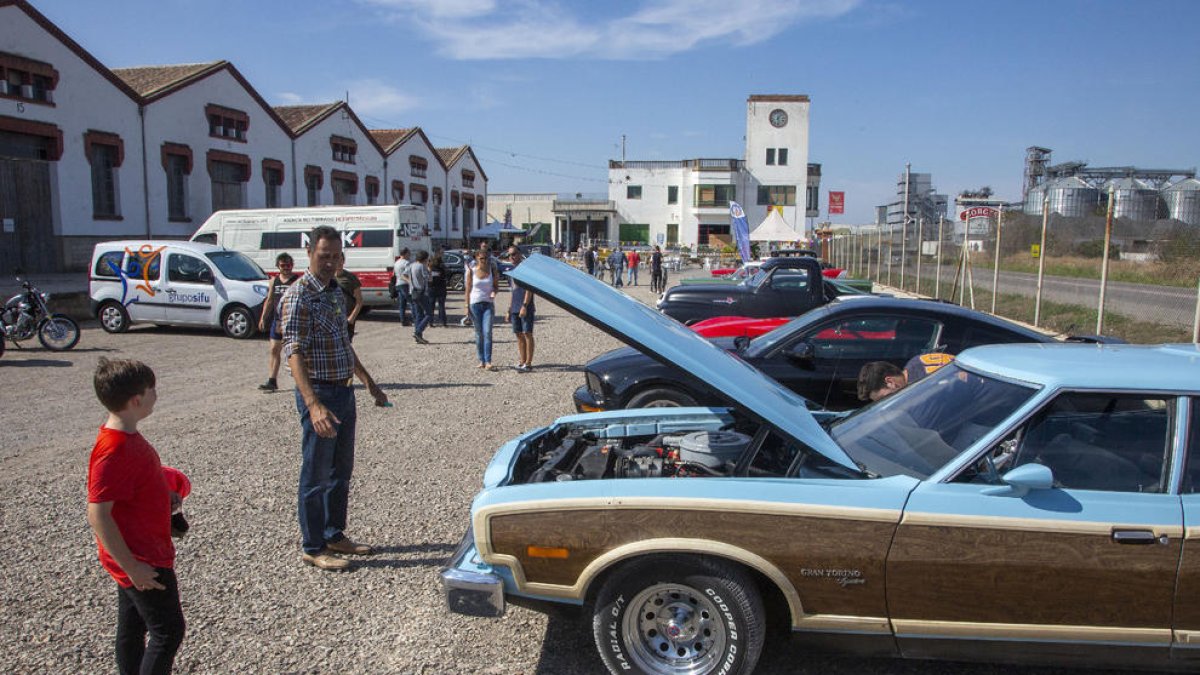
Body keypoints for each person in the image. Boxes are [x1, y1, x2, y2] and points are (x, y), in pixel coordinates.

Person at [279, 225, 388, 571]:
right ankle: (313, 546)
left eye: (335, 256)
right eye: (323, 256)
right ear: (309, 253)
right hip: (320, 392)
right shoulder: (299, 296)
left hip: (344, 389)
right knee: (316, 473)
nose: (329, 262)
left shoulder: (334, 293)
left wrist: (369, 382)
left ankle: (333, 533)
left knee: (341, 470)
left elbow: (344, 343)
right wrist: (312, 404)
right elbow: (293, 350)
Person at [86, 357, 186, 674]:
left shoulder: (126, 435)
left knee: (132, 627)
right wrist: (133, 567)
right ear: (136, 399)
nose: (157, 394)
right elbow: (98, 514)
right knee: (168, 632)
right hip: (142, 558)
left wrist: (163, 496)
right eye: (152, 389)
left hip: (140, 552)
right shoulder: (113, 449)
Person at [257, 253, 299, 391]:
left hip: (292, 321)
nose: (286, 268)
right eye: (283, 265)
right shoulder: (273, 281)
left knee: (294, 352)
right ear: (278, 266)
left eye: (288, 265)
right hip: (277, 320)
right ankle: (272, 380)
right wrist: (263, 317)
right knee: (274, 349)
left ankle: (301, 380)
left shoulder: (297, 281)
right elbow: (269, 301)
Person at [857, 353, 955, 402]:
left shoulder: (923, 386)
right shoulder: (916, 362)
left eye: (885, 398)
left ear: (890, 382)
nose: (886, 403)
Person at [464, 248, 497, 370]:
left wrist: (494, 292)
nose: (484, 260)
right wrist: (466, 306)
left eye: (486, 258)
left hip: (488, 304)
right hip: (475, 304)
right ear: (477, 259)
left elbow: (496, 286)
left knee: (487, 332)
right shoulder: (471, 271)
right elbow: (467, 290)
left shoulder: (492, 270)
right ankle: (481, 360)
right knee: (479, 334)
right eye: (482, 258)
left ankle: (488, 361)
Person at [507, 246, 536, 372]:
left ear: (519, 254)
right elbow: (512, 292)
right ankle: (522, 360)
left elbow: (529, 289)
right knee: (518, 334)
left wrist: (524, 305)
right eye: (509, 255)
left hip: (525, 306)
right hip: (514, 306)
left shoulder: (526, 269)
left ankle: (528, 363)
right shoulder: (511, 271)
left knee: (527, 333)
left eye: (513, 254)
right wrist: (509, 309)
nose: (511, 257)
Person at [333, 252, 363, 342]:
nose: (339, 262)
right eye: (336, 260)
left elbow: (359, 301)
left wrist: (351, 318)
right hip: (332, 319)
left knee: (346, 345)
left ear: (344, 261)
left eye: (341, 260)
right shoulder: (327, 278)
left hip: (347, 318)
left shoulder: (351, 277)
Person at [409, 250, 433, 344]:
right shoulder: (422, 266)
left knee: (419, 314)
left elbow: (405, 274)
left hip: (413, 292)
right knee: (429, 313)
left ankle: (419, 337)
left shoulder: (411, 265)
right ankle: (418, 332)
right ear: (425, 258)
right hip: (422, 292)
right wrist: (429, 270)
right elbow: (429, 279)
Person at [429, 249, 449, 328]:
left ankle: (430, 321)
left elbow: (428, 278)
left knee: (431, 306)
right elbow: (446, 276)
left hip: (432, 288)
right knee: (441, 306)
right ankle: (443, 322)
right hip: (441, 288)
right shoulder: (442, 267)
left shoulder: (430, 268)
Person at [392, 248, 413, 326]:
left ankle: (403, 320)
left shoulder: (396, 263)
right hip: (405, 284)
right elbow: (407, 274)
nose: (410, 255)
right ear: (405, 254)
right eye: (409, 253)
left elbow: (394, 274)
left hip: (398, 284)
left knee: (402, 304)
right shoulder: (407, 263)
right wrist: (411, 282)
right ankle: (415, 319)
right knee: (411, 302)